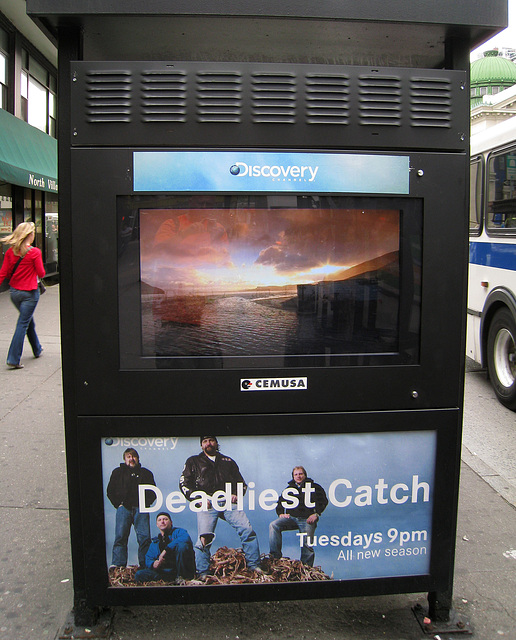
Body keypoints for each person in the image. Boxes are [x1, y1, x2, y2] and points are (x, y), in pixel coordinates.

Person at [179, 436, 261, 578]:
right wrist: (198, 499)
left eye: (211, 440)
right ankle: (203, 573)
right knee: (204, 538)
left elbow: (241, 483)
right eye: (204, 441)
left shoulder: (228, 461)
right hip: (208, 502)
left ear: (216, 443)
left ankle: (254, 566)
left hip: (227, 500)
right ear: (201, 445)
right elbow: (184, 483)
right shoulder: (193, 461)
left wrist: (236, 494)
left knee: (247, 530)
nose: (208, 443)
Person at [0, 222, 45, 369]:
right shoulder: (35, 252)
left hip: (14, 293)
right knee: (23, 323)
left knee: (27, 320)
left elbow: (4, 274)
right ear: (29, 235)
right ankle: (13, 358)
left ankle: (37, 349)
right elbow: (42, 273)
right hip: (30, 294)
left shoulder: (10, 252)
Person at [269, 466, 328, 567]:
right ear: (293, 477)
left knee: (307, 543)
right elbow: (280, 503)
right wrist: (281, 513)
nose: (298, 476)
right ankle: (275, 557)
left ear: (305, 475)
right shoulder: (289, 489)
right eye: (296, 474)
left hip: (307, 519)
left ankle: (306, 567)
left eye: (300, 474)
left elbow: (324, 501)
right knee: (274, 525)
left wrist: (316, 514)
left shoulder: (314, 487)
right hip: (292, 518)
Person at [107, 448, 156, 569]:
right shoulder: (117, 472)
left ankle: (145, 565)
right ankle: (118, 564)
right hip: (124, 508)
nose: (131, 459)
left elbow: (154, 491)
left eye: (134, 456)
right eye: (128, 457)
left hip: (141, 509)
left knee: (144, 538)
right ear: (124, 459)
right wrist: (118, 504)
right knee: (120, 536)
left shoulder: (146, 473)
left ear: (138, 459)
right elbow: (110, 491)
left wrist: (146, 503)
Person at [134, 512, 195, 583]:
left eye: (165, 519)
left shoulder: (179, 532)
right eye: (159, 520)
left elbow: (186, 538)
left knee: (182, 546)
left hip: (180, 569)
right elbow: (148, 558)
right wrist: (153, 564)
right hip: (164, 573)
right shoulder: (155, 542)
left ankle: (182, 578)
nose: (162, 522)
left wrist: (166, 550)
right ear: (157, 524)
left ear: (171, 522)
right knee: (139, 574)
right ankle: (169, 581)